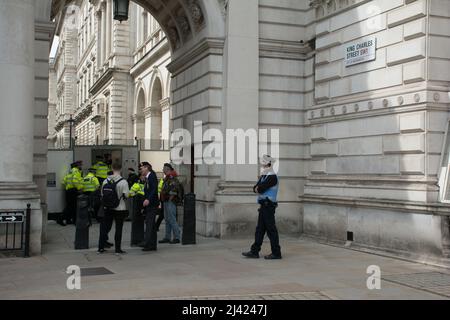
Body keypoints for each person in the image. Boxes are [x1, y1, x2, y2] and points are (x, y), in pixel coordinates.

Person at [242, 155, 282, 260]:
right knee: (260, 229)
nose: (261, 164)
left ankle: (276, 253)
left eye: (263, 162)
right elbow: (255, 188)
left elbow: (260, 189)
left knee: (271, 230)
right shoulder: (264, 176)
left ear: (268, 163)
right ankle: (254, 251)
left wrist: (258, 188)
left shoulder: (272, 177)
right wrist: (257, 188)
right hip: (263, 206)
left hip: (268, 206)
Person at [98, 163, 130, 255]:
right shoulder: (123, 182)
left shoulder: (105, 181)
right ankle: (117, 249)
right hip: (119, 208)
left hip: (107, 208)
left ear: (111, 168)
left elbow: (102, 194)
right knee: (118, 228)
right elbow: (127, 195)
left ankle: (100, 248)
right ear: (121, 169)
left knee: (104, 228)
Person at [159, 163, 182, 244]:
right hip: (166, 201)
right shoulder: (167, 178)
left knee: (172, 219)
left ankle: (177, 237)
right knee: (167, 220)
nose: (162, 170)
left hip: (170, 201)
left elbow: (174, 191)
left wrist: (169, 200)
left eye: (164, 169)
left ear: (167, 169)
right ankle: (167, 237)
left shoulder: (172, 178)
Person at [140, 162, 160, 251]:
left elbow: (154, 189)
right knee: (151, 225)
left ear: (147, 168)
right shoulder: (148, 177)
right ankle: (152, 244)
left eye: (142, 168)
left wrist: (148, 199)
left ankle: (148, 243)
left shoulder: (152, 176)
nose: (140, 170)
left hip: (152, 204)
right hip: (150, 204)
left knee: (149, 224)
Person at [129, 174, 146, 246]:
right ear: (140, 177)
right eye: (142, 176)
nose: (144, 178)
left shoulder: (146, 184)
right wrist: (136, 195)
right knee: (136, 223)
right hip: (137, 205)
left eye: (144, 177)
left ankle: (140, 239)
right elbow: (130, 193)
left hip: (143, 205)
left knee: (141, 223)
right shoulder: (136, 184)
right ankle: (135, 240)